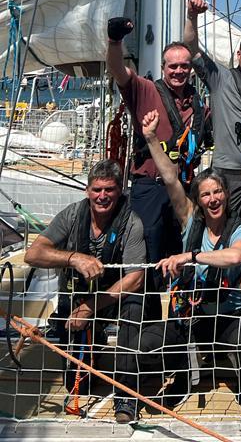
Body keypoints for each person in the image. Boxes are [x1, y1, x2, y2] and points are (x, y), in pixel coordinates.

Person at [137, 111, 241, 407]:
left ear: (226, 195)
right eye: (206, 195)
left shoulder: (238, 229)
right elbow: (170, 178)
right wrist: (152, 138)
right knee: (148, 343)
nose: (213, 199)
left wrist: (191, 256)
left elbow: (237, 256)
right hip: (192, 316)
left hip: (229, 316)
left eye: (218, 192)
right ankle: (182, 377)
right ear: (199, 200)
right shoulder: (191, 221)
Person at [25, 160, 146, 424]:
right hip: (76, 299)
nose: (102, 196)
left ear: (120, 191)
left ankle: (127, 395)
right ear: (87, 190)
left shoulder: (131, 222)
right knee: (77, 384)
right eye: (97, 189)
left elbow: (136, 278)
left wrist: (92, 306)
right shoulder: (71, 215)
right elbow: (33, 254)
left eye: (110, 190)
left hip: (113, 299)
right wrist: (73, 258)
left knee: (134, 307)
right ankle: (92, 347)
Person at [106, 18, 209, 275]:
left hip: (184, 187)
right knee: (146, 250)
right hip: (150, 187)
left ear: (191, 70)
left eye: (184, 66)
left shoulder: (199, 106)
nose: (179, 71)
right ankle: (144, 307)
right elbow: (118, 70)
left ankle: (178, 308)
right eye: (173, 66)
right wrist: (115, 40)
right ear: (163, 68)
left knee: (182, 251)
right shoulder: (146, 90)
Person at [183, 0, 241, 243]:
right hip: (227, 172)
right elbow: (192, 48)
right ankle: (221, 280)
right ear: (239, 53)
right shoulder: (220, 78)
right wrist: (192, 16)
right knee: (220, 232)